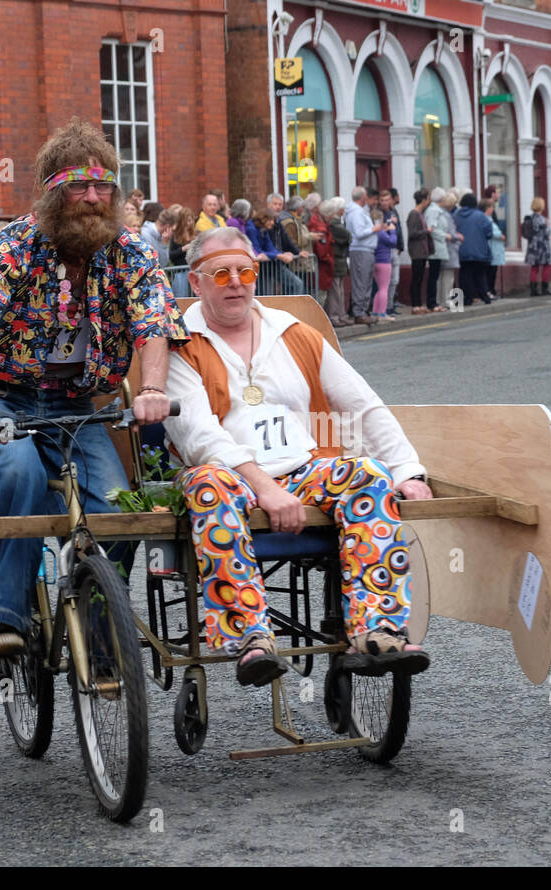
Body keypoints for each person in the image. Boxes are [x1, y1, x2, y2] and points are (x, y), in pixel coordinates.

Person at [0, 119, 188, 656]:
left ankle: (103, 634)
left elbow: (154, 324)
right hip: (8, 395)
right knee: (19, 471)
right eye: (79, 186)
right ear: (53, 190)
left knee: (117, 506)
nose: (93, 197)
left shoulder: (130, 250)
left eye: (103, 186)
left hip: (79, 402)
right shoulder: (16, 242)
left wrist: (151, 389)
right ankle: (6, 614)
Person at [162, 226, 431, 685]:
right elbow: (200, 437)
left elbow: (363, 405)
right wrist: (264, 489)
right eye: (221, 272)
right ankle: (251, 638)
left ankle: (376, 629)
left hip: (302, 471)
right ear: (195, 281)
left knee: (368, 474)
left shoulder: (294, 333)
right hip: (228, 479)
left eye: (245, 271)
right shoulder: (178, 343)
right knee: (208, 483)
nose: (236, 282)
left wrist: (408, 470)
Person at [345, 186, 384, 324]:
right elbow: (359, 233)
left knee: (366, 282)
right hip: (360, 249)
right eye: (366, 195)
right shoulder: (356, 212)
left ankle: (364, 311)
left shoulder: (361, 211)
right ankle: (359, 312)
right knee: (361, 282)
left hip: (366, 249)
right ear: (362, 197)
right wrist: (375, 228)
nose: (368, 198)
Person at [454, 192, 494, 304]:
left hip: (462, 250)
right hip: (479, 251)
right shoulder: (480, 216)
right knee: (479, 274)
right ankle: (484, 297)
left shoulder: (456, 215)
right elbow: (489, 233)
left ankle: (466, 299)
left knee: (464, 275)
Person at [319, 197, 351, 327]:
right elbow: (348, 236)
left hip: (337, 259)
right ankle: (335, 316)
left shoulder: (334, 223)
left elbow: (348, 236)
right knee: (335, 290)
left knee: (339, 289)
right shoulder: (334, 224)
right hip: (334, 260)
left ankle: (341, 315)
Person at [424, 187, 454, 312]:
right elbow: (432, 229)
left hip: (438, 247)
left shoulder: (436, 210)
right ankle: (432, 303)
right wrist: (445, 235)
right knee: (433, 276)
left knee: (435, 276)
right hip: (435, 248)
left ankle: (434, 302)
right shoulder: (433, 211)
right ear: (442, 199)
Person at [404, 189, 432, 315]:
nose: (429, 201)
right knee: (416, 278)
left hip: (422, 251)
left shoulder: (420, 213)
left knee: (420, 278)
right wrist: (427, 231)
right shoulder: (414, 214)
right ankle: (415, 305)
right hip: (417, 251)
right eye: (428, 198)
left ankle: (419, 304)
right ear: (424, 200)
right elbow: (413, 233)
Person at [369, 208, 398, 321]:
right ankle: (382, 313)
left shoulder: (375, 231)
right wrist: (393, 230)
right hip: (384, 261)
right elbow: (392, 242)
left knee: (379, 289)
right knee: (384, 288)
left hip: (376, 261)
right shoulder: (381, 233)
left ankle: (375, 312)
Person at [380, 188, 404, 316]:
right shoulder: (379, 214)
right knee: (386, 281)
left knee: (395, 279)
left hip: (394, 248)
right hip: (384, 249)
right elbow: (381, 229)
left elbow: (398, 229)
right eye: (382, 200)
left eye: (387, 200)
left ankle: (390, 306)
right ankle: (384, 308)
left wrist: (400, 246)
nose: (384, 202)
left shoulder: (393, 212)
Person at [523, 196, 551, 295]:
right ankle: (545, 289)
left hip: (532, 246)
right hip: (542, 246)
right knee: (546, 266)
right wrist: (548, 225)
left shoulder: (530, 218)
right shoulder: (542, 219)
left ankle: (533, 290)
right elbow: (547, 233)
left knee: (534, 268)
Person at [483, 197, 504, 301]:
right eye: (492, 207)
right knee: (489, 273)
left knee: (492, 272)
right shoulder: (485, 219)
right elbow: (490, 232)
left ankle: (490, 291)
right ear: (487, 208)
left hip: (494, 250)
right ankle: (489, 291)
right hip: (491, 249)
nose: (493, 209)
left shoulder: (490, 218)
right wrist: (500, 235)